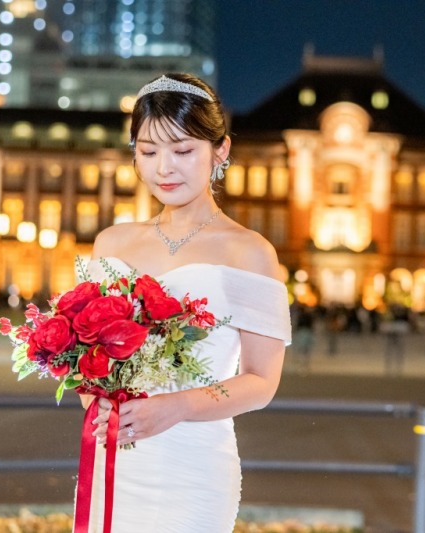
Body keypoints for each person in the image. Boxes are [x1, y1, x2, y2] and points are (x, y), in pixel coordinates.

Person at [81, 73, 291, 531]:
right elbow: (87, 360)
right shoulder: (110, 244)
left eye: (182, 151)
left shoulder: (249, 252)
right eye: (148, 151)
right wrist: (94, 400)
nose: (164, 169)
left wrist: (178, 405)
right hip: (114, 460)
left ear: (221, 151)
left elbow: (261, 380)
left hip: (193, 466)